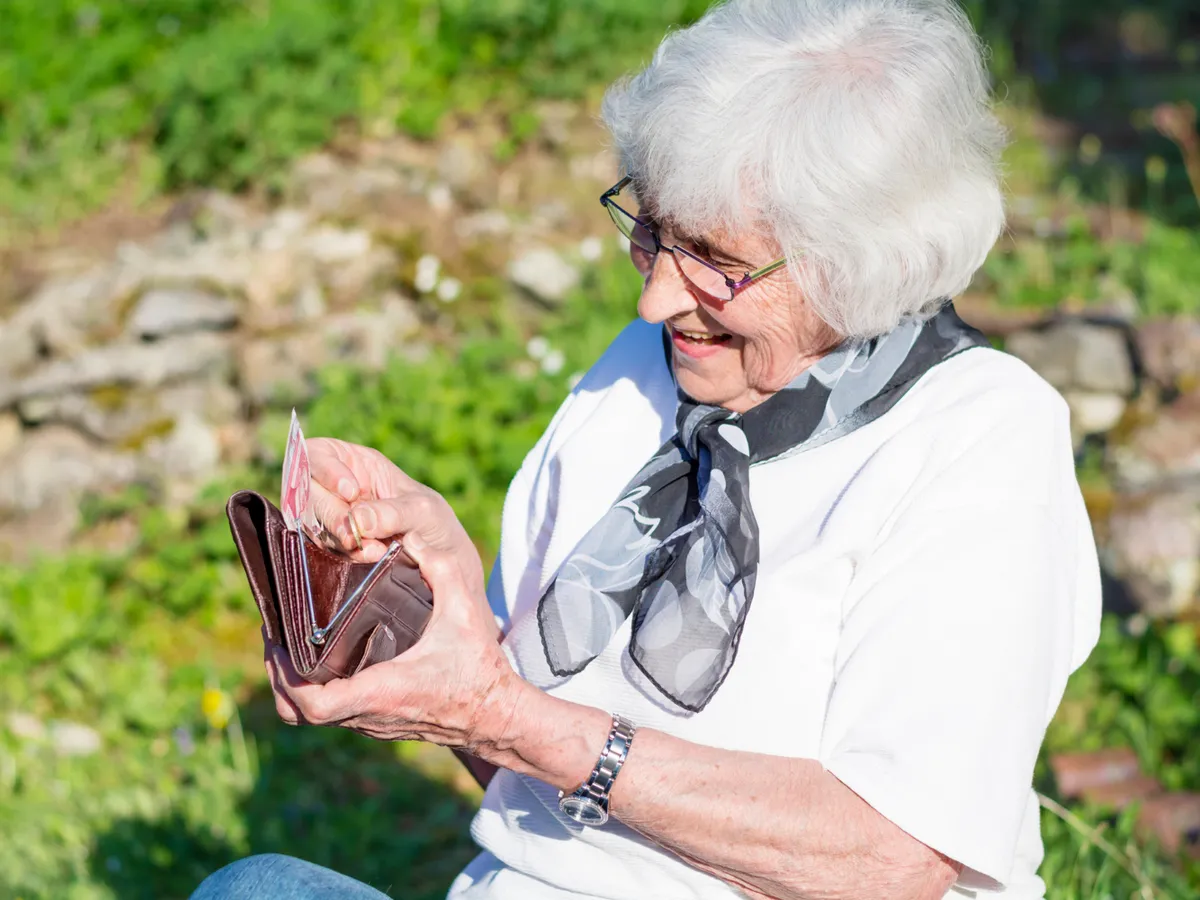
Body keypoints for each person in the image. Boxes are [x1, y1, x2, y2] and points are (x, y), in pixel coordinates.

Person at [191, 1, 1101, 898]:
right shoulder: (646, 371)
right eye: (653, 232)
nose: (656, 301)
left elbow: (891, 863)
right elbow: (517, 769)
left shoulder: (979, 439)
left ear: (863, 258)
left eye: (714, 258)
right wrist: (440, 604)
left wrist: (501, 715)